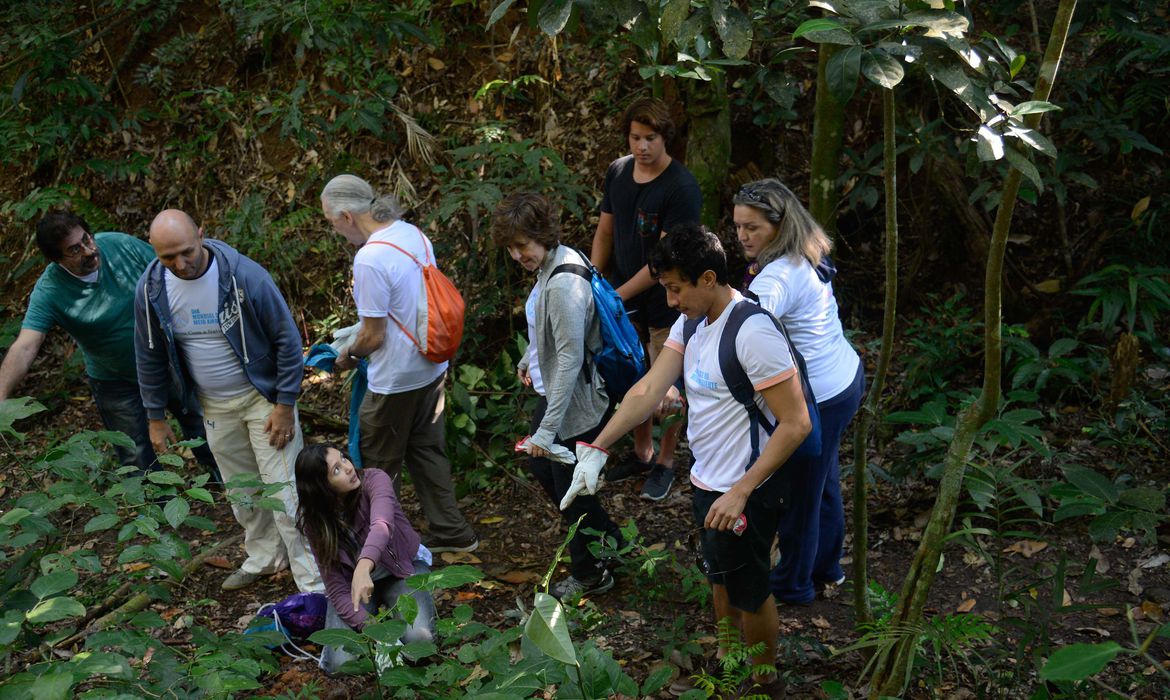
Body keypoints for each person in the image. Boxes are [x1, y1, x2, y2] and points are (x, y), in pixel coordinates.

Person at [562, 224, 808, 698]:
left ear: (709, 278)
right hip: (707, 480)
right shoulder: (691, 323)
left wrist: (741, 491)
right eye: (666, 288)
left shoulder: (752, 332)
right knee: (720, 574)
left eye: (676, 288)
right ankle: (727, 659)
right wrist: (597, 448)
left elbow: (797, 424)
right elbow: (648, 389)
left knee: (750, 589)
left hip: (748, 488)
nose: (670, 300)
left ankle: (765, 681)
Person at [134, 209, 322, 593]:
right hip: (213, 404)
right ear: (153, 250)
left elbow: (287, 340)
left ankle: (315, 580)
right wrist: (155, 416)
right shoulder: (152, 289)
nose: (180, 264)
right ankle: (265, 558)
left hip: (263, 399)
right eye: (168, 257)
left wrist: (285, 404)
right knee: (242, 491)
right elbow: (148, 354)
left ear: (201, 235)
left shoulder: (243, 276)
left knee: (285, 491)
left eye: (186, 252)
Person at [320, 174, 478, 554]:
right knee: (427, 451)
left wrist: (346, 356)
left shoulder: (369, 259)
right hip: (431, 366)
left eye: (331, 222)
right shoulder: (411, 233)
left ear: (346, 216)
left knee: (378, 467)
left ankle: (386, 545)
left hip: (394, 381)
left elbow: (374, 336)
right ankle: (453, 532)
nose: (335, 231)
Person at [0, 210, 217, 479]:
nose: (89, 251)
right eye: (74, 250)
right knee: (134, 452)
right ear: (57, 260)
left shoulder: (119, 245)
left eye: (87, 239)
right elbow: (25, 346)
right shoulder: (50, 291)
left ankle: (224, 484)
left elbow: (174, 273)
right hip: (115, 379)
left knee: (201, 425)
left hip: (164, 359)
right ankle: (153, 503)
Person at [733, 179, 865, 605]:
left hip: (821, 398)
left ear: (779, 225)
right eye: (738, 226)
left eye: (752, 227)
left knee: (801, 497)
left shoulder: (777, 275)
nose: (742, 236)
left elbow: (749, 327)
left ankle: (793, 585)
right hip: (843, 379)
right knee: (822, 482)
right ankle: (826, 567)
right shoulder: (800, 251)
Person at [493, 192, 623, 599]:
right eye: (511, 248)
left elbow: (569, 359)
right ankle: (613, 543)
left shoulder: (564, 282)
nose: (517, 256)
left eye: (523, 245)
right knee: (544, 470)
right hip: (557, 394)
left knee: (572, 493)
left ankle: (590, 573)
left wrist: (547, 432)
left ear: (543, 235)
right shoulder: (552, 263)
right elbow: (548, 331)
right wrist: (529, 358)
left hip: (576, 401)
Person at [590, 97, 702, 501]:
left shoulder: (680, 187)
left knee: (667, 387)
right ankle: (642, 452)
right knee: (633, 377)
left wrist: (614, 297)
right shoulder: (618, 172)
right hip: (622, 303)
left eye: (650, 138)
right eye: (635, 137)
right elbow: (605, 231)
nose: (642, 146)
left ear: (664, 137)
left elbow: (662, 262)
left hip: (666, 303)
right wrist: (593, 282)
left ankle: (666, 461)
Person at [294, 443, 436, 674]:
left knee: (420, 642)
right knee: (340, 665)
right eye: (336, 470)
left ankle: (398, 629)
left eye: (343, 459)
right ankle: (382, 635)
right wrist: (376, 632)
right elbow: (336, 586)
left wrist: (363, 567)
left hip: (401, 571)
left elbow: (382, 525)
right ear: (321, 486)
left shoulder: (374, 479)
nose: (348, 468)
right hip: (355, 587)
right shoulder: (316, 522)